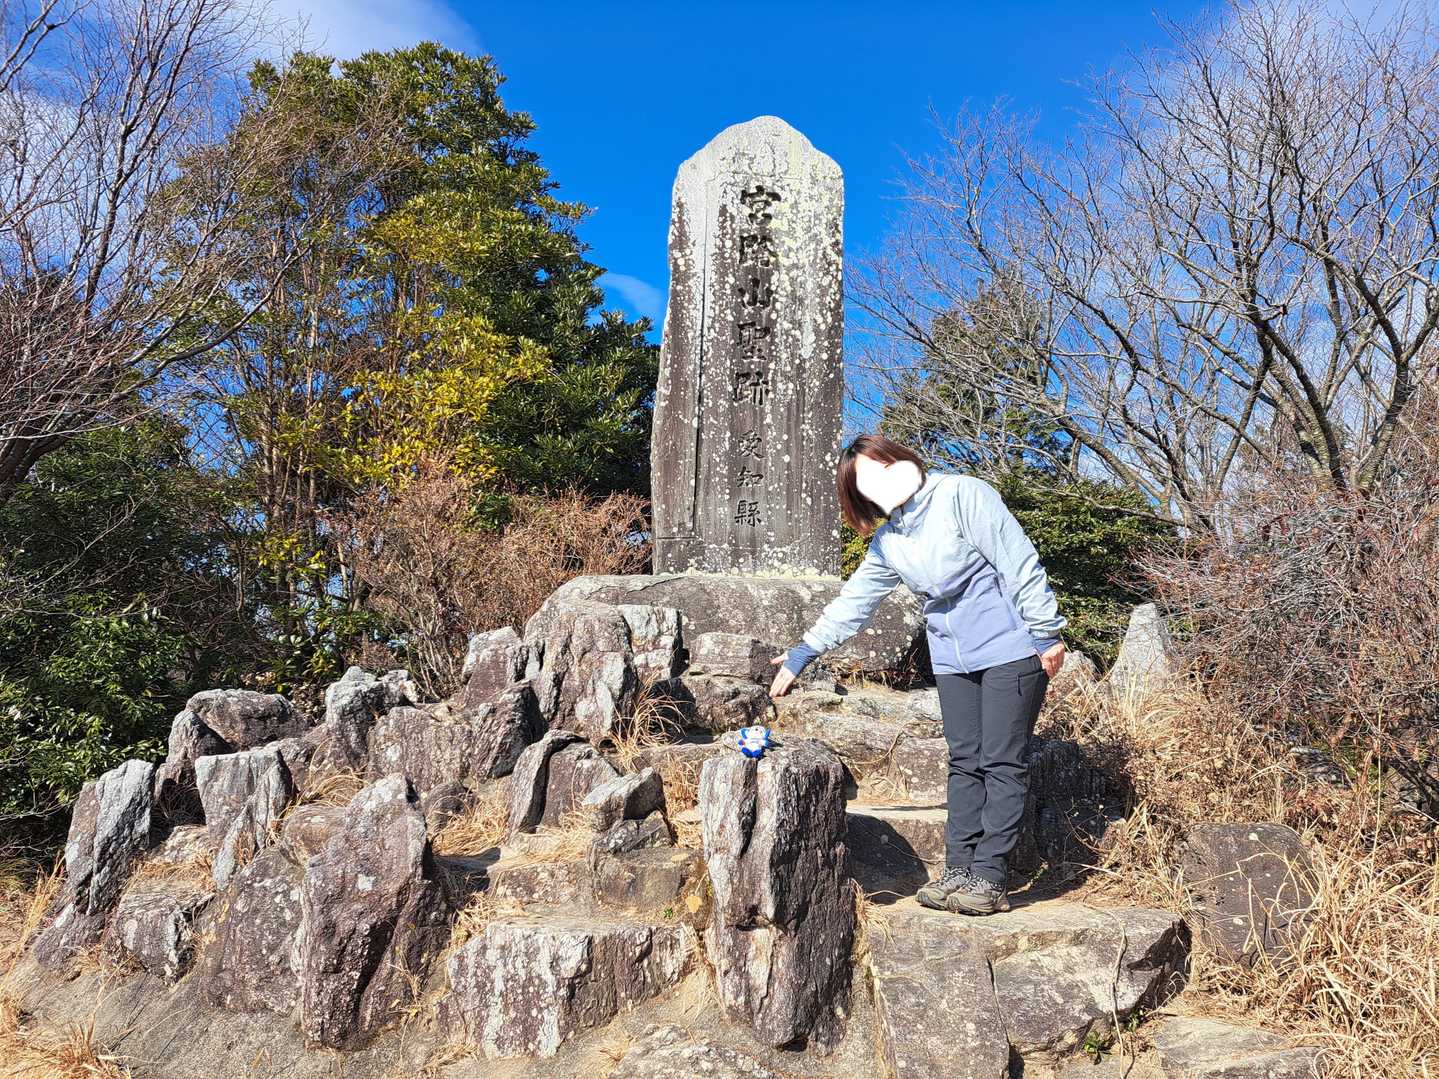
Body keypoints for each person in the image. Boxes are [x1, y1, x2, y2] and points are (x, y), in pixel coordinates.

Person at [769, 434, 1066, 915]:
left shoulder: (962, 494)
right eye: (868, 482)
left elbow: (1018, 561)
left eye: (884, 466)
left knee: (1001, 761)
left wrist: (1046, 631)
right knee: (965, 761)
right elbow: (855, 601)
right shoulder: (889, 541)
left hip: (1010, 648)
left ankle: (990, 877)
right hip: (952, 659)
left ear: (902, 460)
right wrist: (805, 651)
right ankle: (959, 869)